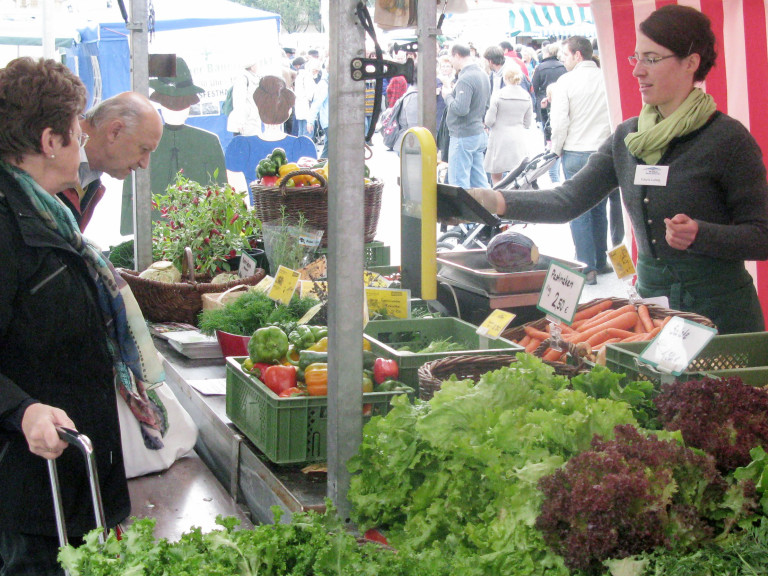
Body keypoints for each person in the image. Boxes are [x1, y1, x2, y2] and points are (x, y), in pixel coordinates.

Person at [465, 5, 768, 334]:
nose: (638, 71)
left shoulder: (728, 140)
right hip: (652, 314)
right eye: (635, 58)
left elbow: (762, 236)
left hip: (720, 317)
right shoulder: (628, 136)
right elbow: (568, 199)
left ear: (691, 63)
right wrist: (488, 200)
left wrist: (702, 235)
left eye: (651, 59)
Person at [0, 57, 164, 575]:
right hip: (30, 494)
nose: (82, 140)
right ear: (51, 142)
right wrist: (22, 410)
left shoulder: (48, 213)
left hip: (70, 481)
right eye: (75, 132)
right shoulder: (7, 226)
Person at [119, 57, 226, 235]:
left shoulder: (209, 142)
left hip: (198, 236)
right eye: (170, 104)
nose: (176, 109)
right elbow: (130, 193)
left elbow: (220, 195)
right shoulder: (141, 142)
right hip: (152, 236)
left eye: (181, 104)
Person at [549, 36, 613, 285]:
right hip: (604, 152)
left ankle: (586, 268)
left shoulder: (566, 81)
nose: (562, 60)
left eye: (565, 55)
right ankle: (599, 259)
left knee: (578, 211)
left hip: (576, 151)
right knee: (599, 208)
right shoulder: (606, 78)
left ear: (578, 55)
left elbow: (560, 122)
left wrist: (556, 149)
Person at [56, 91, 163, 231]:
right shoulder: (50, 161)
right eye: (143, 149)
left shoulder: (89, 178)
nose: (144, 164)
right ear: (115, 131)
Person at [441, 43, 491, 189]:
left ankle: (463, 212)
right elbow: (486, 105)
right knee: (480, 183)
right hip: (478, 133)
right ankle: (490, 211)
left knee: (458, 185)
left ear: (457, 55)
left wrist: (448, 96)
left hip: (463, 135)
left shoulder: (465, 78)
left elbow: (461, 109)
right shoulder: (483, 75)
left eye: (451, 57)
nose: (451, 61)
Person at [483, 65, 533, 185]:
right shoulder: (526, 96)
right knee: (517, 174)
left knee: (496, 176)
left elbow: (489, 121)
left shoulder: (498, 95)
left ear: (505, 78)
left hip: (499, 139)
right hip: (518, 139)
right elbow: (527, 123)